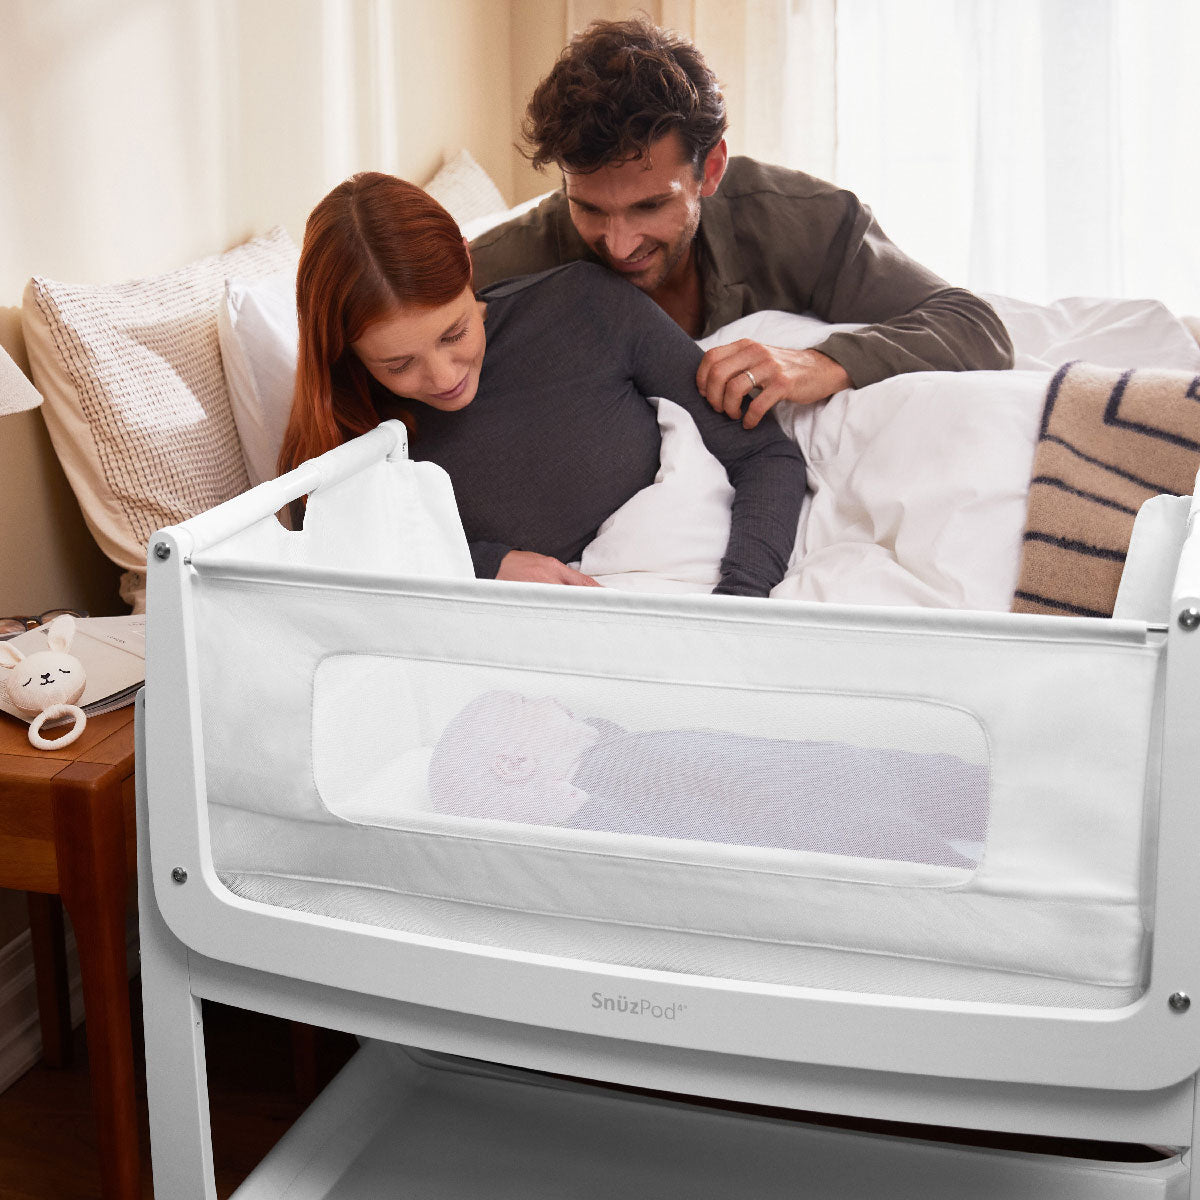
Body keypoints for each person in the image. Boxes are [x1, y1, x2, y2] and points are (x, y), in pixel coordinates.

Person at [470, 17, 1015, 430]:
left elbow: (976, 328)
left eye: (649, 206)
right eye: (588, 207)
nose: (618, 243)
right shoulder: (502, 264)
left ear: (710, 169)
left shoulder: (799, 219)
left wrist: (820, 363)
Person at [277, 172, 806, 596]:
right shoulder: (347, 425)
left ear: (466, 258)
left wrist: (740, 604)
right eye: (397, 365)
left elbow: (765, 455)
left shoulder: (587, 307)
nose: (443, 378)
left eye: (454, 332)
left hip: (706, 584)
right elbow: (332, 557)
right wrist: (485, 564)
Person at [427, 690, 988, 869]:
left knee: (868, 787)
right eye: (539, 712)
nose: (556, 707)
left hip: (815, 782)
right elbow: (713, 806)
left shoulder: (605, 767)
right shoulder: (598, 792)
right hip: (814, 800)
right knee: (863, 795)